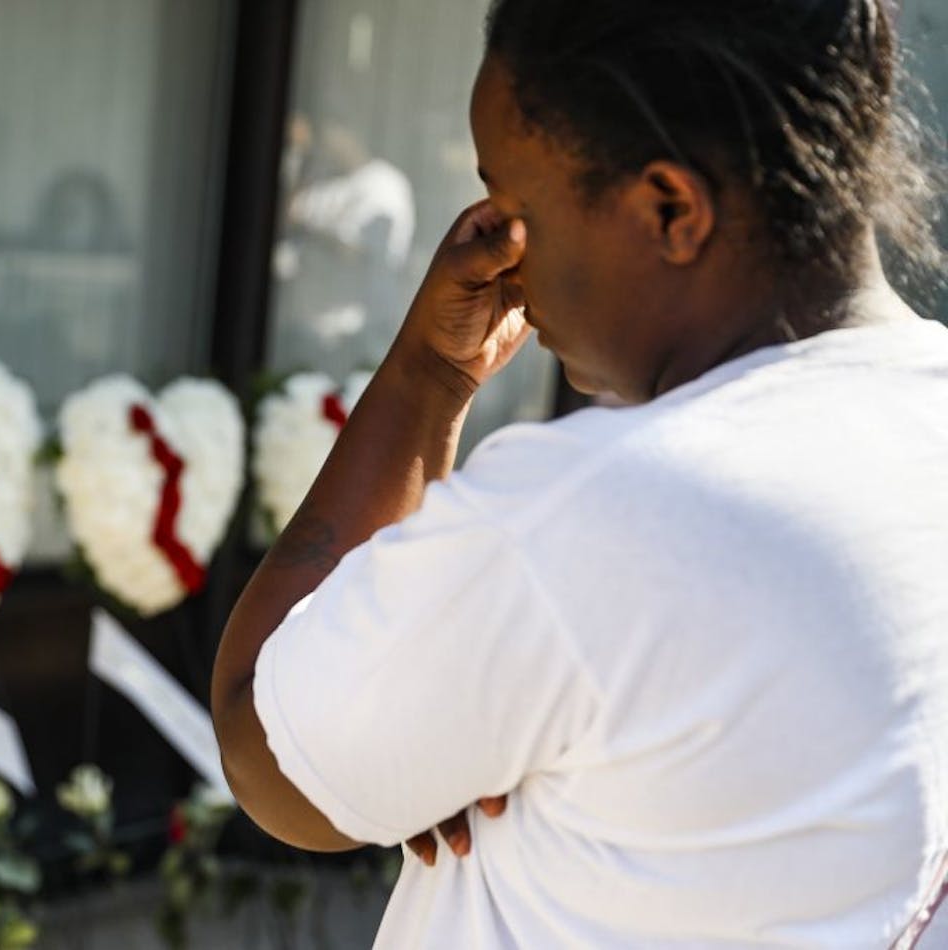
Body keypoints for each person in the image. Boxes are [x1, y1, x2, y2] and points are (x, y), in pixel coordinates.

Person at [212, 0, 948, 946]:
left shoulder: (596, 514)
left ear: (671, 211)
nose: (495, 258)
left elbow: (267, 751)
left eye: (515, 209)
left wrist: (427, 379)